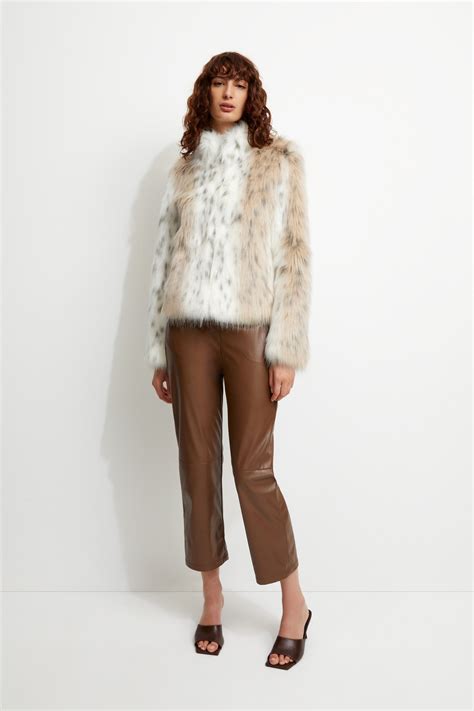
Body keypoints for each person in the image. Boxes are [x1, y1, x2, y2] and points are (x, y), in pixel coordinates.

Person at [145, 51, 313, 669]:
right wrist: (158, 347)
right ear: (206, 92)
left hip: (250, 331)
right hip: (187, 331)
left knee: (252, 470)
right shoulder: (183, 168)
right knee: (197, 464)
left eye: (239, 84)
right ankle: (211, 599)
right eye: (219, 82)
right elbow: (163, 257)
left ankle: (294, 605)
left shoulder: (279, 162)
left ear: (251, 96)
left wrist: (284, 348)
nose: (228, 92)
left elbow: (294, 256)